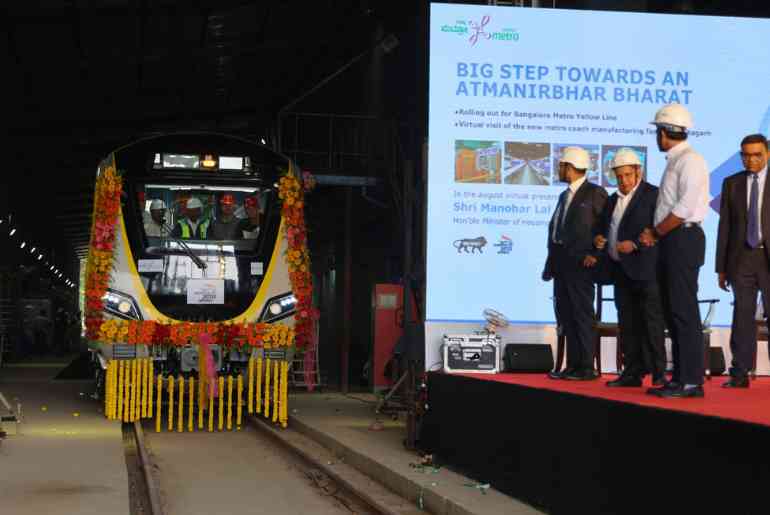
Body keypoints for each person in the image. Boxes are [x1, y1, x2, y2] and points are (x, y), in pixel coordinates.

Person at [640, 103, 710, 398]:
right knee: (673, 311)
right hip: (672, 240)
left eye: (658, 130)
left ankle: (692, 380)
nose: (657, 136)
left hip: (683, 239)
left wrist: (655, 232)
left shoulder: (690, 161)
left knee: (683, 311)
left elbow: (682, 209)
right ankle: (680, 377)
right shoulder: (675, 160)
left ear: (668, 131)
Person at [594, 148, 666, 387]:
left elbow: (660, 233)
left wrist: (635, 244)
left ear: (638, 172)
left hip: (646, 271)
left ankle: (658, 373)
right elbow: (604, 228)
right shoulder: (612, 200)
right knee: (627, 324)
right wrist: (600, 240)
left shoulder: (653, 195)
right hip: (620, 271)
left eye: (627, 175)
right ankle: (632, 373)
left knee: (652, 323)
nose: (623, 180)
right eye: (619, 176)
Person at [543, 146, 608, 380]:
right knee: (567, 315)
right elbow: (557, 230)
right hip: (562, 264)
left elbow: (606, 227)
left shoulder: (594, 193)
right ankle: (573, 365)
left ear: (570, 167)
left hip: (582, 265)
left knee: (582, 314)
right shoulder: (564, 195)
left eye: (561, 165)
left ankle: (586, 368)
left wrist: (596, 255)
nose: (558, 169)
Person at [715, 134, 770, 388]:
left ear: (767, 154)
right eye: (746, 155)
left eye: (756, 154)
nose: (751, 159)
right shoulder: (731, 183)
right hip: (742, 258)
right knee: (742, 316)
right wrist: (721, 268)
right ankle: (739, 373)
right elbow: (724, 227)